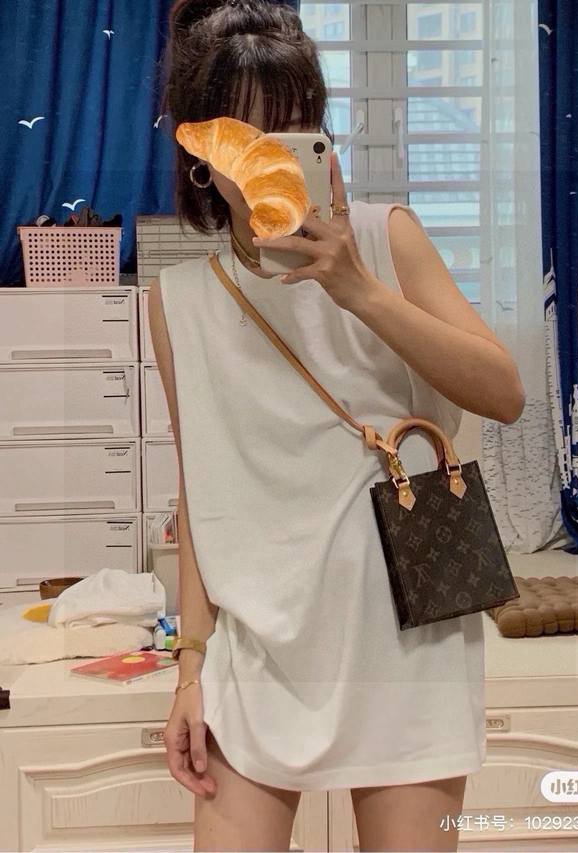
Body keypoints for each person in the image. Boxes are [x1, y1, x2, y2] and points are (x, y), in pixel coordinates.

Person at [148, 0, 526, 849]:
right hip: (259, 644)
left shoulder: (389, 241)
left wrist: (356, 288)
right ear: (202, 154)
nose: (275, 158)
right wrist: (190, 665)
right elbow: (198, 487)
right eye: (248, 137)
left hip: (405, 634)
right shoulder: (178, 302)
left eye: (297, 132)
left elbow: (503, 393)